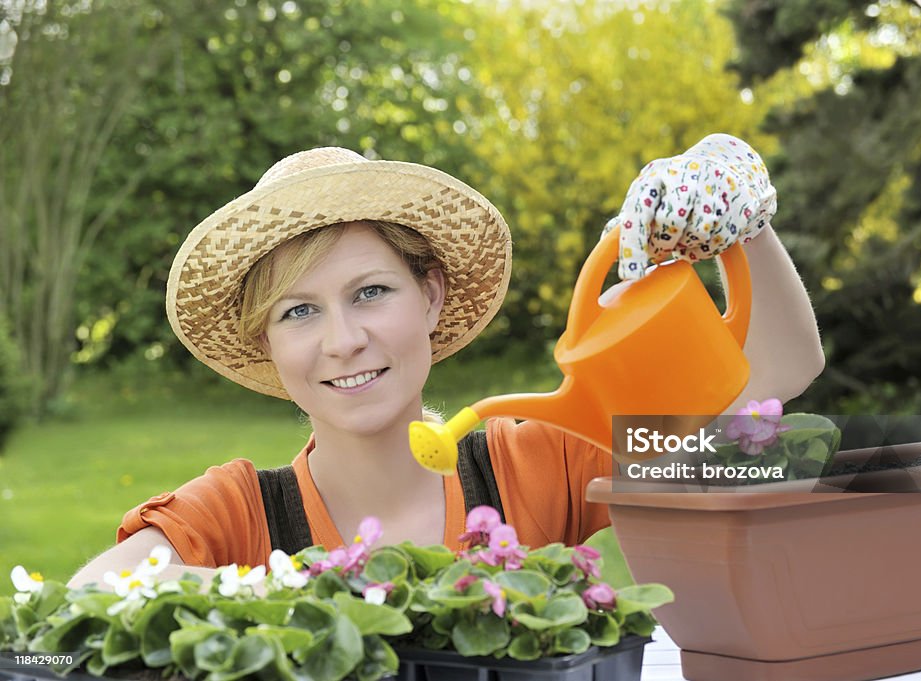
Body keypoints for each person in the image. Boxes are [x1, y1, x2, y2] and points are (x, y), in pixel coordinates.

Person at [68, 135, 824, 588]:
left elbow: (776, 374)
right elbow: (91, 593)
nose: (342, 340)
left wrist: (740, 218)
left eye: (370, 292)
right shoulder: (239, 511)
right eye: (299, 311)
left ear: (429, 297)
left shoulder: (538, 460)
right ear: (268, 343)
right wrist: (311, 590)